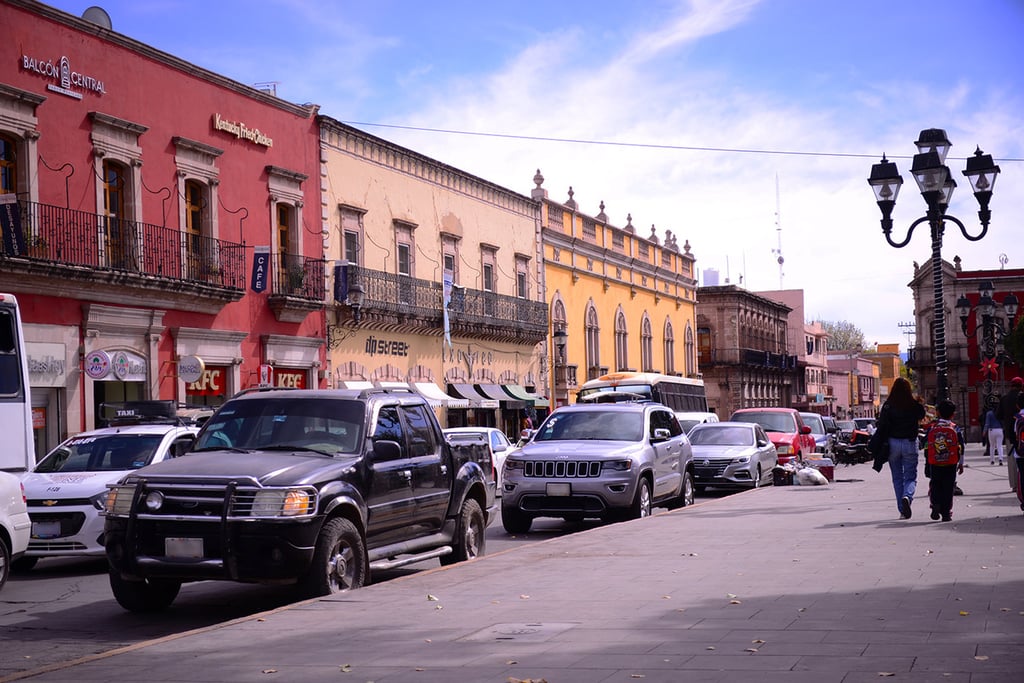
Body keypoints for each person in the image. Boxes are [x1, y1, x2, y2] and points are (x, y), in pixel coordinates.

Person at [875, 377, 927, 519]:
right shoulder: (913, 404)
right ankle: (907, 497)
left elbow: (882, 425)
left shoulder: (888, 405)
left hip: (893, 444)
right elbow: (922, 415)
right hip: (910, 442)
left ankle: (902, 510)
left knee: (897, 477)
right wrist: (920, 402)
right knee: (910, 476)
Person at [924, 399, 965, 522]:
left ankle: (935, 504)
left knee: (935, 484)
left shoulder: (932, 428)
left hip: (935, 462)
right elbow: (961, 446)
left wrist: (928, 459)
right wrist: (961, 463)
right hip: (951, 462)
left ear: (938, 413)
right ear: (952, 414)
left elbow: (926, 444)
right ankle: (946, 513)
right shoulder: (955, 428)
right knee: (948, 487)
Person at [997, 377, 1023, 492]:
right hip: (1022, 433)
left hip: (1009, 432)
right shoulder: (1022, 396)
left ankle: (1014, 485)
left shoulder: (1005, 398)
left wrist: (1008, 419)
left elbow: (998, 415)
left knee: (1012, 460)